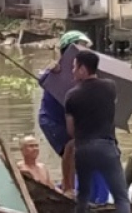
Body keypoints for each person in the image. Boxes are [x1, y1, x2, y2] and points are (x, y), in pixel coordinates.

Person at [64, 49, 131, 213]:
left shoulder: (71, 96)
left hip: (84, 148)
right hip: (106, 147)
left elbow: (71, 130)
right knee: (121, 197)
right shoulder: (110, 87)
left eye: (74, 67)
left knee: (83, 195)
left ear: (83, 69)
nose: (72, 71)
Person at [37, 31, 107, 203]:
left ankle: (76, 189)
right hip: (52, 119)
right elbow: (42, 78)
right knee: (70, 146)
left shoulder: (85, 71)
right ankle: (68, 188)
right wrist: (52, 71)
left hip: (71, 119)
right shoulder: (58, 68)